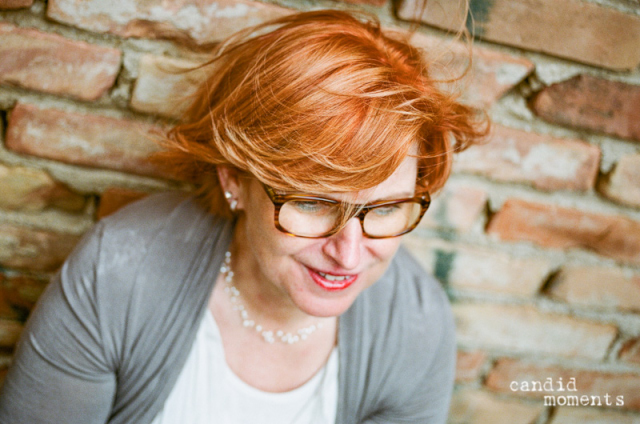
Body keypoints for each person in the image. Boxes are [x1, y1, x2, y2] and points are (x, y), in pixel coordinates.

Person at [0, 9, 486, 424]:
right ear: (234, 178)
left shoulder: (416, 327)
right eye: (313, 202)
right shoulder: (120, 275)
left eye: (384, 208)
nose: (349, 252)